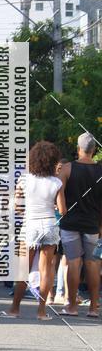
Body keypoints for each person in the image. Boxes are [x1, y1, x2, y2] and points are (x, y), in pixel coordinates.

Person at [0, 141, 67, 321]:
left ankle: (14, 309)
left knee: (24, 269)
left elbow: (17, 206)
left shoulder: (24, 180)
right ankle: (41, 311)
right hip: (50, 226)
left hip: (30, 226)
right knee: (46, 270)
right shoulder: (56, 182)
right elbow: (62, 210)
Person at [59, 132, 102, 318]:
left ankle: (71, 306)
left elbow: (59, 193)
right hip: (93, 224)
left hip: (70, 223)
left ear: (78, 148)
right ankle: (93, 308)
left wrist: (63, 211)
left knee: (73, 262)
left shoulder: (67, 168)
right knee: (92, 263)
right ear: (94, 150)